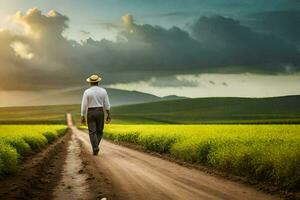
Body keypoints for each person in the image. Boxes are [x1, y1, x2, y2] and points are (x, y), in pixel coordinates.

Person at [81, 74, 111, 155]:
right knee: (100, 132)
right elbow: (107, 104)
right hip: (100, 112)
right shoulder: (103, 91)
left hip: (90, 112)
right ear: (98, 82)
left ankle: (95, 147)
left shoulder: (87, 92)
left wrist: (82, 115)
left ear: (90, 83)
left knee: (92, 132)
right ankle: (96, 146)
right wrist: (108, 114)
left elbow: (84, 105)